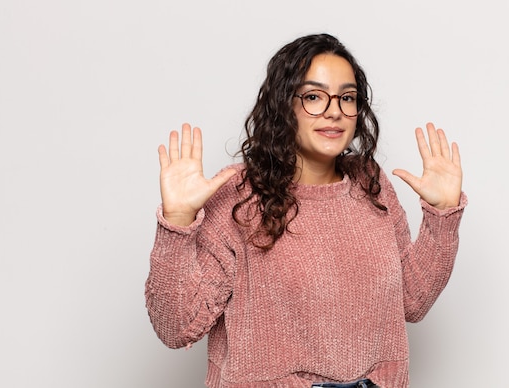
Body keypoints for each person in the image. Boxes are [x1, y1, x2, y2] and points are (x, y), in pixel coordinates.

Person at [145, 33, 467, 388]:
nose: (334, 110)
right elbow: (177, 327)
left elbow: (412, 301)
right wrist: (177, 222)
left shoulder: (370, 182)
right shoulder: (238, 197)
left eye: (347, 97)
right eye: (313, 96)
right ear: (284, 105)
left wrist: (442, 216)